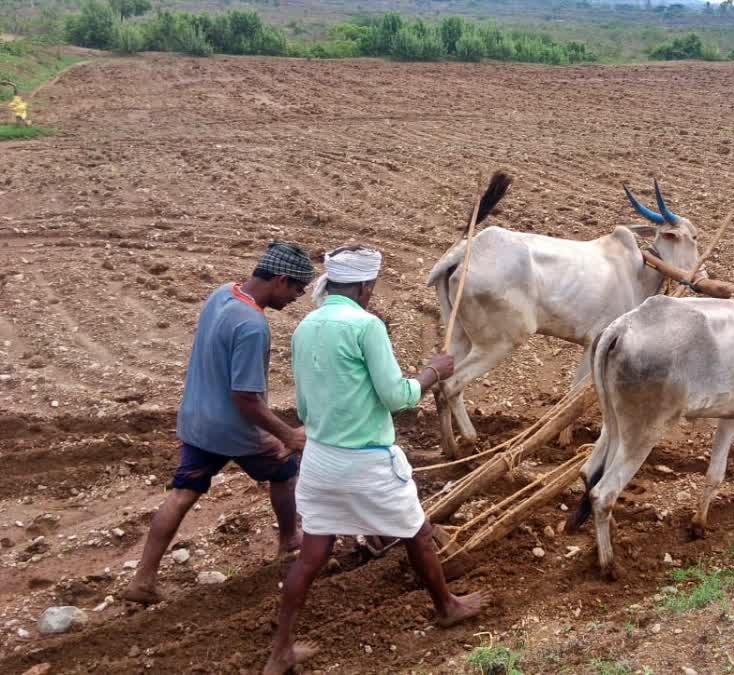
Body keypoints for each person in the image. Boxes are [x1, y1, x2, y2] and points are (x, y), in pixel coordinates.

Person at [263, 245, 488, 675]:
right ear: (367, 285)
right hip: (365, 461)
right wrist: (432, 372)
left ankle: (281, 650)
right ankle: (447, 606)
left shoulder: (306, 325)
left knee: (311, 555)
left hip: (320, 461)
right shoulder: (366, 326)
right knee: (417, 534)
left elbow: (306, 408)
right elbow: (397, 397)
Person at [123, 241, 316, 605]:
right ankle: (290, 540)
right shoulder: (253, 326)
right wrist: (286, 434)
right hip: (234, 428)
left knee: (182, 493)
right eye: (297, 288)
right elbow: (245, 398)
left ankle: (143, 580)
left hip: (197, 419)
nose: (297, 298)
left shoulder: (222, 293)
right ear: (280, 279)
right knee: (285, 468)